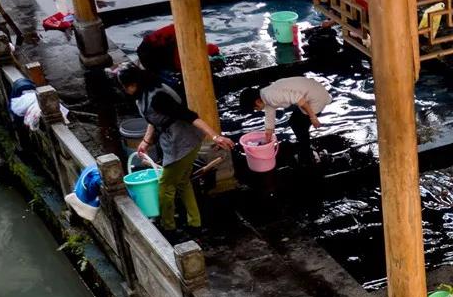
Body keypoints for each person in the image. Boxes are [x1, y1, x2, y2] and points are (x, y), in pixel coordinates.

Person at [119, 64, 233, 238]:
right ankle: (195, 223)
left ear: (133, 84)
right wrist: (145, 141)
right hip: (173, 140)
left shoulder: (159, 97)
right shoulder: (145, 93)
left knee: (165, 187)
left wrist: (215, 137)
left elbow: (190, 116)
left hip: (184, 142)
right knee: (182, 182)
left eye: (125, 86)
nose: (125, 90)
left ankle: (168, 227)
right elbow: (153, 118)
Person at [237, 76, 331, 169]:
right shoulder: (265, 95)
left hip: (316, 98)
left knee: (299, 127)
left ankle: (307, 157)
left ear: (257, 101)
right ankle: (306, 150)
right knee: (295, 123)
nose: (256, 110)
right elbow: (269, 116)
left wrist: (313, 117)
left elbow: (299, 99)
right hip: (311, 94)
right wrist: (267, 139)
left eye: (255, 108)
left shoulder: (271, 95)